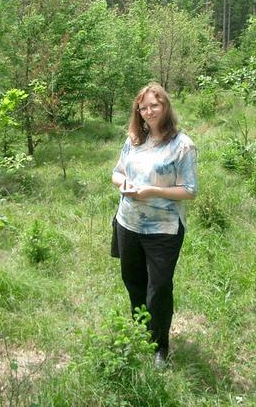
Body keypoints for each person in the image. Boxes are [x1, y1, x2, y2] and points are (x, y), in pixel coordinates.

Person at [111, 82, 198, 369]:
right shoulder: (134, 138)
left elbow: (189, 190)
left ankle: (160, 347)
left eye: (154, 105)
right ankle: (140, 333)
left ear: (165, 107)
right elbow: (117, 173)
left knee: (158, 288)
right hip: (128, 223)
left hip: (163, 229)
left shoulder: (182, 145)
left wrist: (152, 191)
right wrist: (124, 184)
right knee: (133, 281)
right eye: (143, 107)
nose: (148, 111)